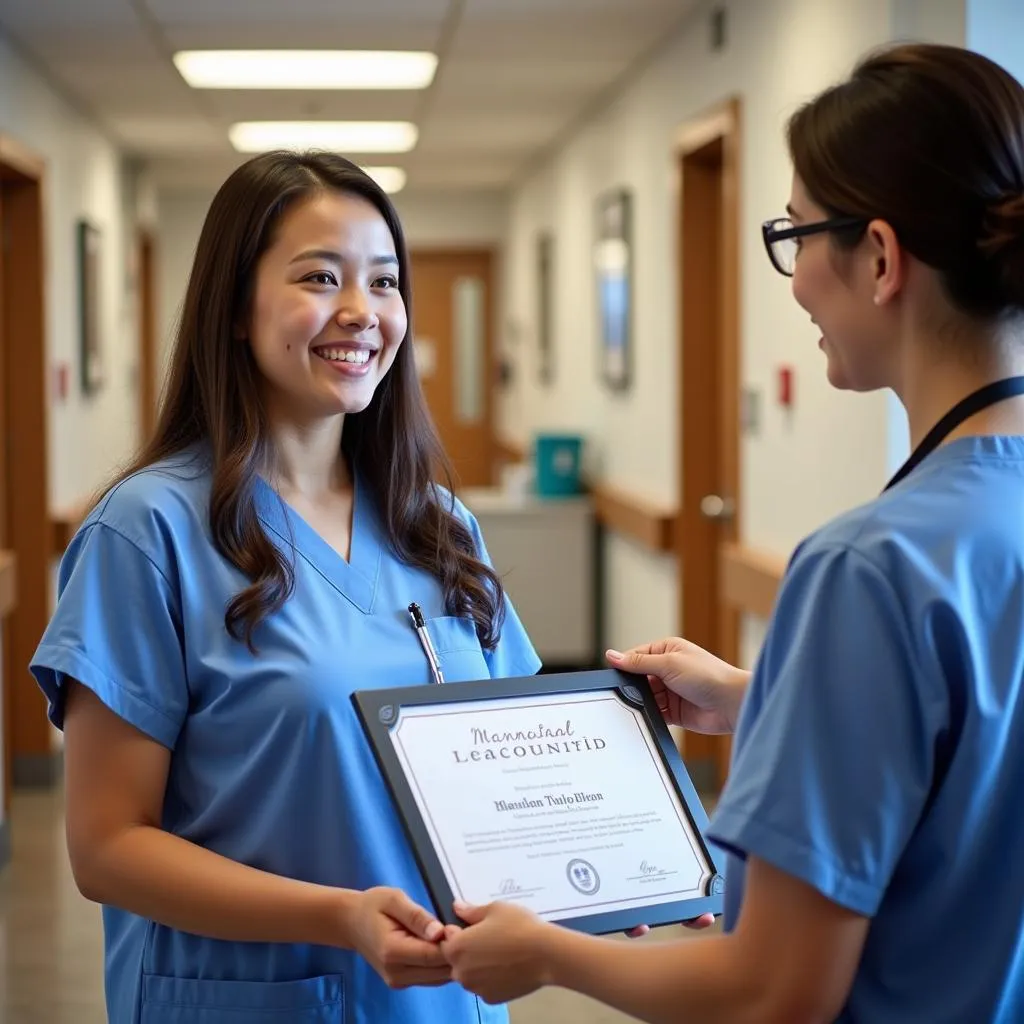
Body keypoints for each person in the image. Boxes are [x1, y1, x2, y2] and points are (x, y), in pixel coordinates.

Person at [439, 42, 1024, 1023]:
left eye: (796, 237)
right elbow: (975, 748)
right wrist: (769, 700)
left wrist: (543, 953)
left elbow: (772, 989)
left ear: (878, 258)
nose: (793, 283)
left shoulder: (869, 566)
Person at [29, 151, 542, 1024]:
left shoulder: (437, 523)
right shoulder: (146, 532)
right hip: (252, 1000)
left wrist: (613, 873)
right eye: (320, 277)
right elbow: (108, 849)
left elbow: (508, 768)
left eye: (384, 282)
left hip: (445, 1005)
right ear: (234, 307)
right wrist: (338, 917)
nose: (361, 312)